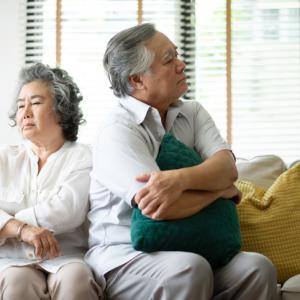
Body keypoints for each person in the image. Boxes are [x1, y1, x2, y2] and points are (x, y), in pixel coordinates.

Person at [86, 23, 277, 300]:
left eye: (176, 54)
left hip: (192, 247)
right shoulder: (117, 131)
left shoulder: (193, 112)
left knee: (256, 268)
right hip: (125, 257)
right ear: (137, 80)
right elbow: (161, 209)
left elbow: (227, 168)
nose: (181, 64)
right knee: (190, 268)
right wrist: (219, 191)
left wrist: (179, 180)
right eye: (169, 60)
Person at [0, 63, 102, 299]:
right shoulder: (4, 157)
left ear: (61, 110)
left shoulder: (84, 156)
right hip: (10, 259)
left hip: (65, 257)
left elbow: (67, 210)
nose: (25, 112)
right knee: (17, 282)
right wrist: (21, 230)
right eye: (20, 105)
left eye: (35, 103)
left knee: (75, 279)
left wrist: (8, 225)